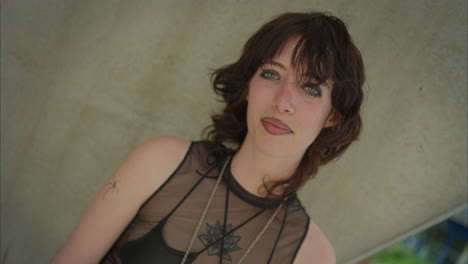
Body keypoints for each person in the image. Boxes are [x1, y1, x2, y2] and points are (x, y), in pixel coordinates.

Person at [52, 11, 365, 264]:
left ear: (333, 115)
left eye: (311, 88)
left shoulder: (312, 256)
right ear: (248, 85)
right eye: (271, 73)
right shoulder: (161, 162)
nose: (284, 101)